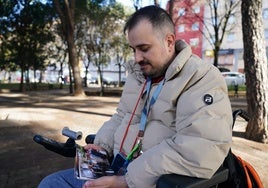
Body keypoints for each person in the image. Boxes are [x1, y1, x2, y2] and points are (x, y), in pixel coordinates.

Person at [38, 5, 233, 188]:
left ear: (169, 41)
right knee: (51, 183)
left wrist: (127, 180)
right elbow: (122, 116)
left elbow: (200, 148)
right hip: (116, 167)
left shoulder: (200, 77)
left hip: (148, 180)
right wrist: (101, 147)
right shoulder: (140, 75)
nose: (137, 58)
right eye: (134, 50)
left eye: (144, 48)